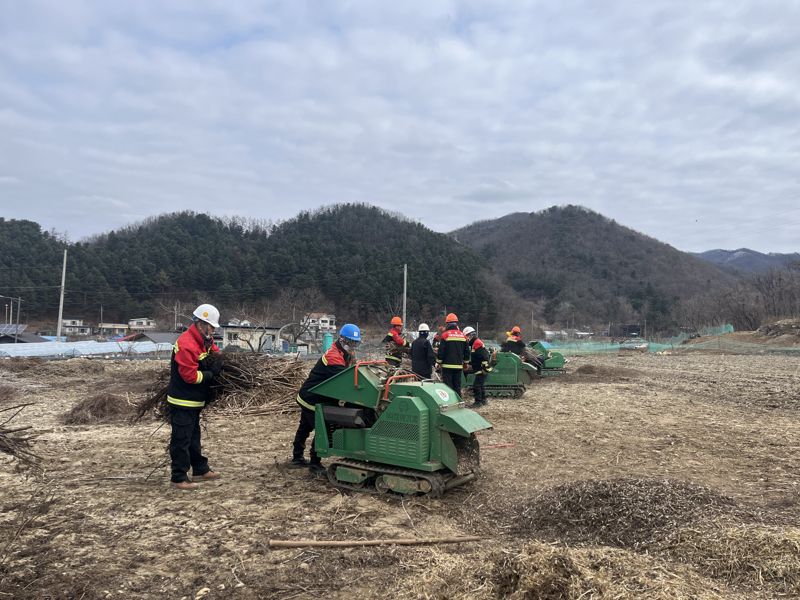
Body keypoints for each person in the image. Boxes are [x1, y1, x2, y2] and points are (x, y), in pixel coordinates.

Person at [291, 323, 361, 474]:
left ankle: (297, 457)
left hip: (315, 394)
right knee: (322, 428)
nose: (353, 346)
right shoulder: (333, 357)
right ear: (342, 340)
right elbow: (344, 381)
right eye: (351, 343)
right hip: (312, 397)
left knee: (305, 426)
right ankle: (315, 464)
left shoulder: (344, 353)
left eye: (355, 343)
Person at [167, 303, 222, 491]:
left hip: (195, 400)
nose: (213, 330)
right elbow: (190, 377)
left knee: (193, 437)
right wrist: (210, 375)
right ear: (201, 323)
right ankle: (178, 476)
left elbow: (214, 351)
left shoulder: (204, 340)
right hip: (182, 400)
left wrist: (220, 361)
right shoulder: (186, 344)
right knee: (181, 439)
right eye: (211, 326)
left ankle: (200, 468)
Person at [436, 313, 469, 398]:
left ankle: (450, 403)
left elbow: (441, 351)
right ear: (456, 323)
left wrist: (438, 362)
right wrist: (465, 363)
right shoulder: (463, 336)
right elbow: (466, 352)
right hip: (458, 366)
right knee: (457, 386)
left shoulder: (445, 335)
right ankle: (459, 402)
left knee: (448, 386)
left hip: (447, 366)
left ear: (447, 324)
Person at [463, 326, 492, 408]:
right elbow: (477, 358)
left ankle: (478, 402)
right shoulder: (475, 343)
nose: (466, 340)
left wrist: (483, 368)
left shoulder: (477, 343)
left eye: (467, 337)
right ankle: (483, 400)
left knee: (476, 385)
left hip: (481, 369)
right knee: (481, 385)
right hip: (481, 368)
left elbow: (484, 357)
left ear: (470, 335)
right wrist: (469, 363)